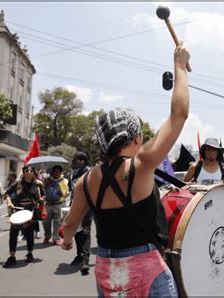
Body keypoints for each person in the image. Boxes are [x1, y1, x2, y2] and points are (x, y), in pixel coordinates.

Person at [62, 43, 189, 296]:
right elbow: (179, 115)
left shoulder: (84, 182)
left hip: (107, 273)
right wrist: (180, 66)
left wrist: (66, 241)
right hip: (147, 270)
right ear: (135, 139)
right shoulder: (141, 165)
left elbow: (69, 225)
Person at [3, 166, 45, 268]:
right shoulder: (17, 184)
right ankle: (12, 256)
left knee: (30, 234)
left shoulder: (38, 184)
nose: (29, 172)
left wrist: (41, 200)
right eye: (27, 170)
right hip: (18, 211)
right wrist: (9, 202)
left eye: (31, 170)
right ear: (23, 172)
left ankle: (30, 253)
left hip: (31, 211)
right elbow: (7, 193)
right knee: (13, 234)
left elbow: (44, 195)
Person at [68, 151, 92, 275]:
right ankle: (79, 255)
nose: (73, 162)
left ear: (82, 161)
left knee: (85, 230)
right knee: (76, 230)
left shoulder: (90, 172)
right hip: (74, 205)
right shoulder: (72, 173)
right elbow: (71, 189)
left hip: (87, 206)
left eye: (75, 160)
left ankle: (85, 260)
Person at [43, 165, 69, 245]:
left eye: (59, 171)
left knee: (57, 222)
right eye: (55, 171)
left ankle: (56, 238)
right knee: (46, 222)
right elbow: (42, 190)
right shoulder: (46, 180)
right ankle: (47, 236)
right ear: (52, 172)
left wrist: (63, 194)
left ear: (61, 172)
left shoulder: (64, 181)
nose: (57, 173)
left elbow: (67, 193)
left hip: (59, 204)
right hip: (47, 204)